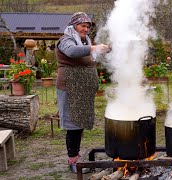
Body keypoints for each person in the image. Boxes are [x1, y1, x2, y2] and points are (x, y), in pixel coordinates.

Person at [55, 12, 111, 173]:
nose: (86, 29)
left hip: (82, 89)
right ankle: (73, 161)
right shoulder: (66, 40)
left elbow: (90, 56)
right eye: (83, 25)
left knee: (79, 124)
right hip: (70, 88)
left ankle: (77, 156)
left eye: (88, 26)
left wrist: (107, 49)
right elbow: (72, 52)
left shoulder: (84, 41)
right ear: (74, 25)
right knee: (73, 125)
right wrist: (94, 47)